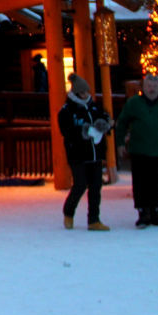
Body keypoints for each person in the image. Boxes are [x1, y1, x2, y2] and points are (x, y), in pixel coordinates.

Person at [116, 73, 158, 228]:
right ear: (144, 87)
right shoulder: (134, 104)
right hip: (138, 149)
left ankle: (155, 212)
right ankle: (142, 212)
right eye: (149, 86)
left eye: (155, 86)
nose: (152, 89)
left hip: (157, 150)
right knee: (140, 182)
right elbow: (122, 122)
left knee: (156, 182)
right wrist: (120, 143)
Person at [58, 74, 111, 231]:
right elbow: (66, 130)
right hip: (78, 155)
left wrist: (104, 124)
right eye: (82, 92)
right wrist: (84, 131)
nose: (86, 95)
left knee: (96, 186)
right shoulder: (67, 110)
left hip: (95, 154)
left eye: (87, 92)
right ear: (76, 93)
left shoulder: (94, 107)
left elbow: (105, 119)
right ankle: (69, 212)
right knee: (80, 185)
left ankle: (94, 219)